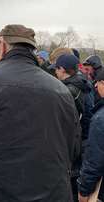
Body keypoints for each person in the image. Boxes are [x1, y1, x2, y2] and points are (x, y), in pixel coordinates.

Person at [0, 24, 81, 202]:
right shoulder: (61, 90)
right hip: (48, 191)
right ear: (32, 49)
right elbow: (73, 146)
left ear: (2, 45)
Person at [52, 54, 93, 200]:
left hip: (74, 144)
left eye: (56, 69)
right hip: (84, 140)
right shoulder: (83, 82)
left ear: (62, 69)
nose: (55, 73)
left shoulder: (68, 91)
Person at [77, 70, 104, 202]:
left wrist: (84, 190)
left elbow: (94, 161)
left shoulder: (100, 118)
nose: (95, 86)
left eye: (98, 82)